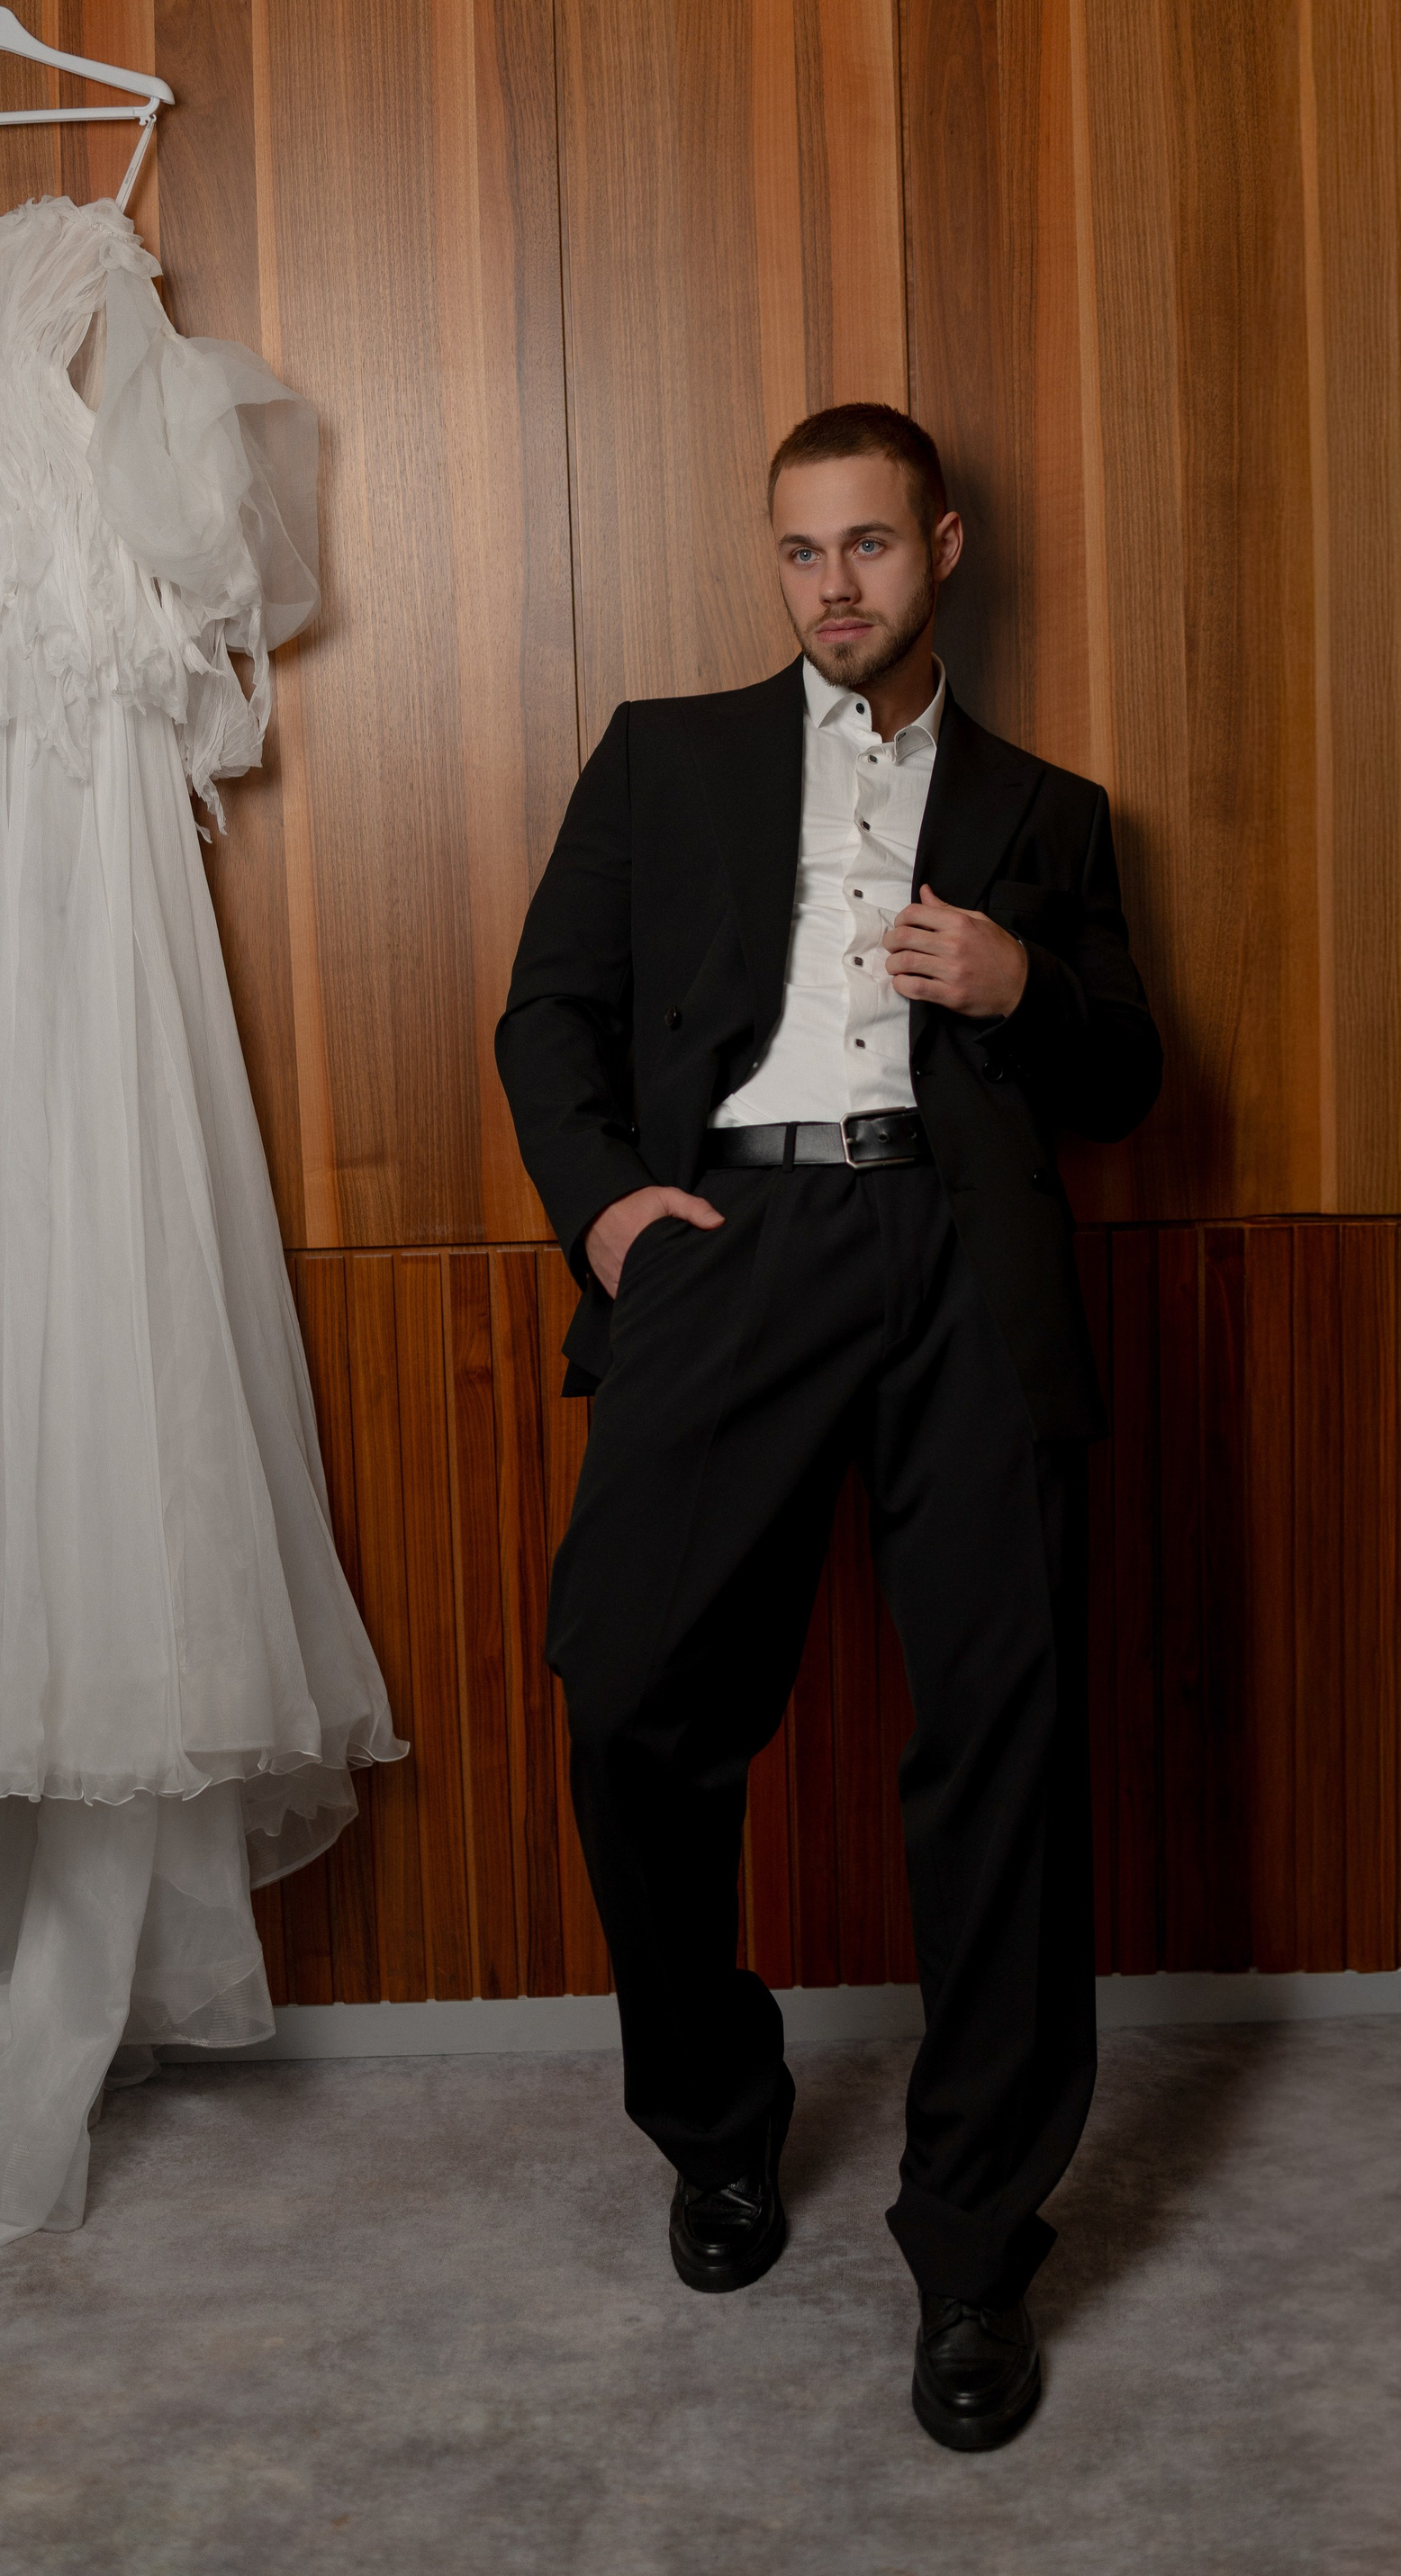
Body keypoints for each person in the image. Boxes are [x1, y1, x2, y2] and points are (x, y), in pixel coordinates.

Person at [495, 402, 1159, 2451]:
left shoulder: (1050, 808)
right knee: (632, 1692)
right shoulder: (665, 757)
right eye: (801, 549)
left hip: (962, 1256)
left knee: (1003, 1744)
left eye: (869, 544)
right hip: (728, 1244)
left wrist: (1024, 981)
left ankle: (974, 2245)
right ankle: (714, 2122)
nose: (832, 584)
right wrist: (611, 1210)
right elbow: (547, 1012)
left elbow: (1129, 1075)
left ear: (941, 548)